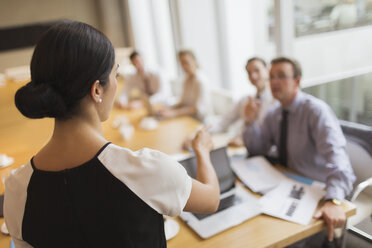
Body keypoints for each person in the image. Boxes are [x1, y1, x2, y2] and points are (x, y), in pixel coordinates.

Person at [4, 21, 220, 248]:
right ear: (97, 89)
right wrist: (202, 151)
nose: (117, 84)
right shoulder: (145, 171)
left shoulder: (18, 190)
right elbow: (211, 198)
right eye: (115, 75)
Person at [243, 57, 355, 245]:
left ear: (297, 81)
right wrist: (249, 121)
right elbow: (257, 149)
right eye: (271, 77)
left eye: (281, 76)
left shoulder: (316, 111)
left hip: (318, 192)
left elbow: (339, 158)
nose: (275, 82)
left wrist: (334, 201)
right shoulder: (274, 113)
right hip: (288, 184)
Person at [209, 57, 275, 147]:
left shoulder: (277, 102)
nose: (253, 76)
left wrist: (244, 140)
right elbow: (223, 122)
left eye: (257, 70)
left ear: (267, 70)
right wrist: (202, 132)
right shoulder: (245, 100)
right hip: (241, 149)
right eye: (249, 73)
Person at [156, 50, 212, 122]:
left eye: (186, 62)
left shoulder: (201, 81)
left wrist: (173, 113)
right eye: (181, 63)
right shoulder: (186, 79)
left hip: (200, 121)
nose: (184, 66)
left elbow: (196, 109)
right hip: (188, 117)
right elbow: (182, 102)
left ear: (194, 61)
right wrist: (168, 108)